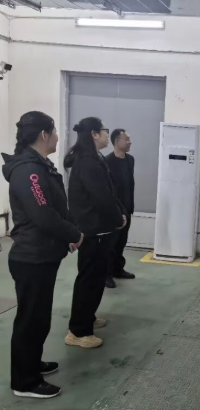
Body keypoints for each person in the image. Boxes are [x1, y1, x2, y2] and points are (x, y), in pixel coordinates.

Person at [2, 112, 83, 399]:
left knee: (39, 318)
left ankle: (31, 363)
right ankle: (25, 382)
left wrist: (69, 230)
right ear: (43, 135)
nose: (58, 137)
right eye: (55, 132)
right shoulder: (29, 171)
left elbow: (55, 207)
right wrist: (73, 234)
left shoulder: (39, 165)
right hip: (31, 257)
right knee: (31, 320)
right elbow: (43, 214)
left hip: (43, 254)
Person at [64, 117, 126, 349]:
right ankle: (78, 332)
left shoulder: (94, 158)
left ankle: (87, 317)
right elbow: (101, 197)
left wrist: (118, 214)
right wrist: (117, 219)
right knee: (89, 279)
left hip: (99, 228)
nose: (107, 135)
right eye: (104, 131)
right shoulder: (87, 162)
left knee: (96, 277)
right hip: (93, 230)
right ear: (94, 134)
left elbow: (108, 193)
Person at [105, 129, 136, 289]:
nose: (129, 142)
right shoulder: (107, 162)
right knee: (111, 243)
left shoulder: (130, 160)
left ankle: (118, 268)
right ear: (117, 142)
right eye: (126, 139)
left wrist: (129, 207)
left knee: (122, 241)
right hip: (114, 210)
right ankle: (106, 274)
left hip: (127, 207)